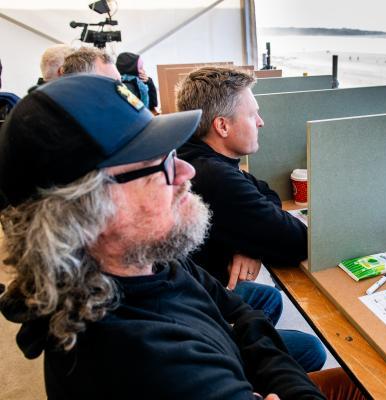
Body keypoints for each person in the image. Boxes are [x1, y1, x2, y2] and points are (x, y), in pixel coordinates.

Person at [0, 74, 365, 400]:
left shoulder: (152, 257)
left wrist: (242, 334)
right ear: (86, 210)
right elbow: (237, 320)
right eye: (156, 164)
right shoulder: (147, 362)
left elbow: (239, 311)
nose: (187, 170)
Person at [176, 66, 327, 372]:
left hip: (194, 292)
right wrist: (254, 235)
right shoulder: (216, 177)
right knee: (313, 350)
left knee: (269, 298)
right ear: (222, 126)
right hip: (199, 316)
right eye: (252, 115)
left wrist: (248, 242)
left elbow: (265, 193)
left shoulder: (195, 154)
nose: (261, 122)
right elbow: (298, 242)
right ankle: (248, 367)